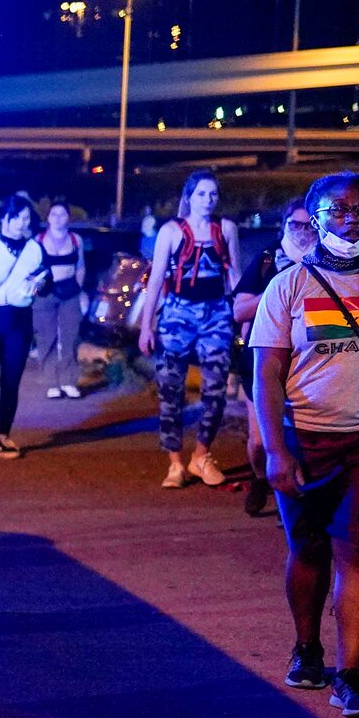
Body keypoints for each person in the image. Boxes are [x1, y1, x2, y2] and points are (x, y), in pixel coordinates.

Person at [252, 175, 359, 718]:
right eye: (336, 208)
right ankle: (307, 647)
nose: (350, 216)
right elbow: (267, 373)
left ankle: (351, 674)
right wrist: (275, 450)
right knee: (307, 548)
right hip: (306, 437)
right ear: (314, 218)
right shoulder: (288, 286)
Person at [133, 169, 240, 488]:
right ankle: (175, 463)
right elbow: (155, 280)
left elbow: (235, 277)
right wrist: (146, 326)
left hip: (217, 314)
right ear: (189, 197)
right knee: (170, 389)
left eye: (213, 194)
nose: (208, 200)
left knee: (216, 387)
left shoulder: (227, 229)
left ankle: (202, 455)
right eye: (201, 194)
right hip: (177, 314)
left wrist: (245, 320)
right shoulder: (170, 231)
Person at [237, 209, 318, 516]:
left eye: (307, 224)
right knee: (259, 442)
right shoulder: (267, 261)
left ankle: (296, 507)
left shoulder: (328, 266)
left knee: (298, 442)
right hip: (260, 361)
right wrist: (280, 285)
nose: (301, 230)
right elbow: (239, 311)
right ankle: (259, 478)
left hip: (302, 367)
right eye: (293, 224)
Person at [0, 192, 45, 456]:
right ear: (5, 218)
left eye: (27, 218)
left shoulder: (35, 249)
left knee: (11, 382)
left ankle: (4, 435)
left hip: (19, 321)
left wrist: (41, 284)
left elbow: (45, 283)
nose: (24, 222)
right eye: (19, 217)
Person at [31, 198, 90, 398]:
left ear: (68, 218)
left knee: (70, 337)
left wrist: (80, 291)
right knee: (46, 338)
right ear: (48, 217)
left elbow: (80, 267)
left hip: (70, 291)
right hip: (45, 293)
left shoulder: (76, 240)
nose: (58, 218)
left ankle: (68, 381)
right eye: (54, 214)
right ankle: (51, 383)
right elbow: (29, 270)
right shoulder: (37, 241)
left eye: (62, 214)